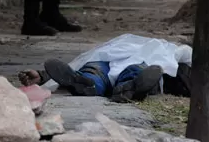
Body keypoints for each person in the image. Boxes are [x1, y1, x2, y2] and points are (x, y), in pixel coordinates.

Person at [18, 33, 193, 103]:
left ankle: (127, 88)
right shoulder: (171, 50)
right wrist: (43, 76)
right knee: (95, 68)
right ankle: (89, 84)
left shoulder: (181, 59)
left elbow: (185, 79)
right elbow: (85, 58)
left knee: (129, 70)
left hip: (138, 65)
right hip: (114, 59)